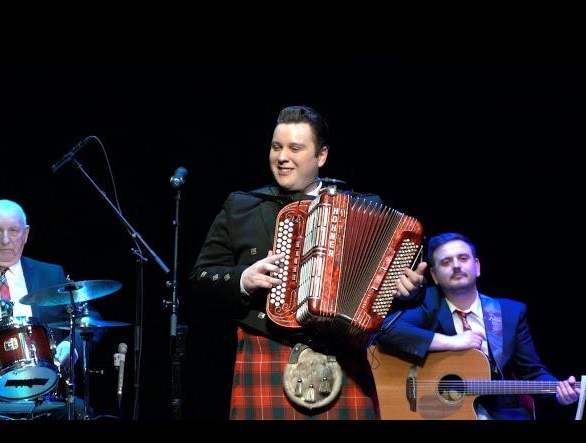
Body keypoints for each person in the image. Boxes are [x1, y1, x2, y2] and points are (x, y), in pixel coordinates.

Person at [189, 105, 427, 419]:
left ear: (321, 156)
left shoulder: (362, 206)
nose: (282, 157)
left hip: (343, 358)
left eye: (295, 148)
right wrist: (242, 280)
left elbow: (388, 293)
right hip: (268, 349)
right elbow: (200, 279)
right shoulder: (242, 206)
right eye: (276, 147)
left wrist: (408, 291)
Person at [376, 232, 580, 419]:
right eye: (446, 262)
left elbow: (533, 372)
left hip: (499, 413)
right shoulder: (427, 302)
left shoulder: (510, 312)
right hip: (440, 412)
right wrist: (451, 342)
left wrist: (559, 393)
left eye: (463, 258)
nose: (456, 266)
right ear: (435, 276)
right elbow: (385, 330)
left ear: (477, 267)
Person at [0, 199, 88, 419]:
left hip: (40, 389)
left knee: (79, 411)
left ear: (26, 234)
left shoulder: (50, 274)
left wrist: (72, 345)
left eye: (13, 230)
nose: (5, 240)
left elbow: (87, 319)